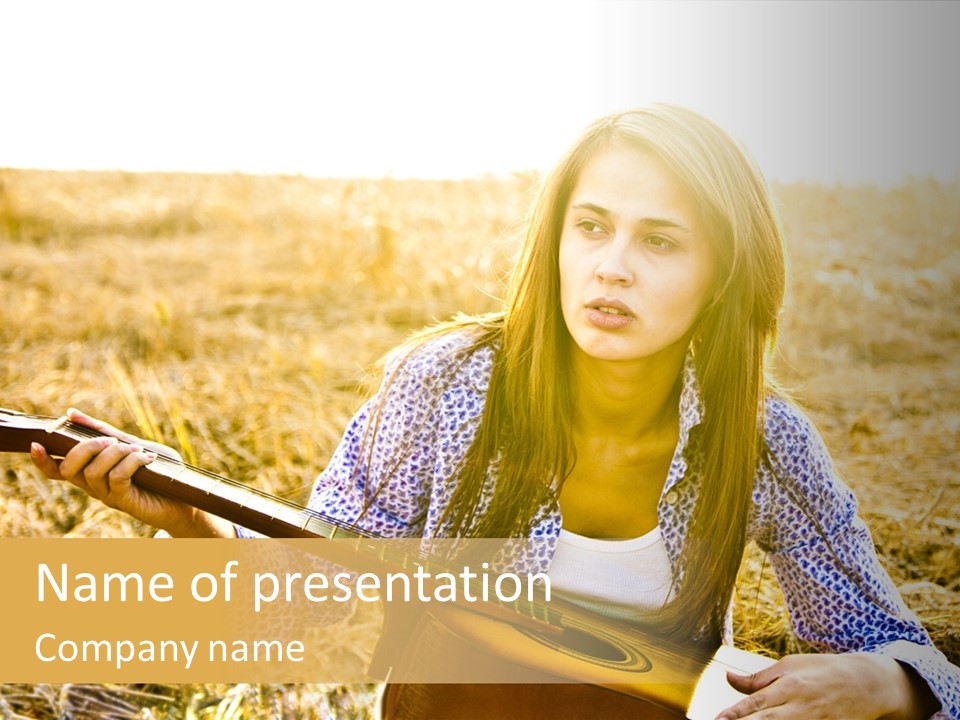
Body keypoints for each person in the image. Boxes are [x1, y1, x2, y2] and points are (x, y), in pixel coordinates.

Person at [30, 104, 959, 719]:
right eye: (590, 227)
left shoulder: (762, 443)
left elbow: (909, 658)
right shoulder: (442, 388)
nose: (613, 266)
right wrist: (193, 524)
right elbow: (307, 612)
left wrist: (890, 683)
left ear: (721, 279)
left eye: (662, 241)